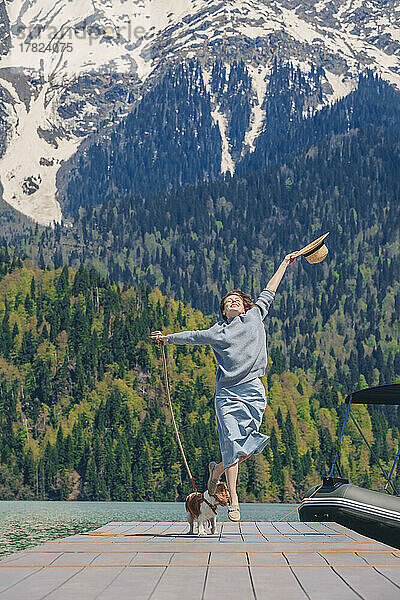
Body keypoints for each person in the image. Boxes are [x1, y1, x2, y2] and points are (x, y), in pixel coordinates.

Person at [149, 252, 297, 521]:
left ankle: (216, 471)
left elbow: (270, 289)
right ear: (223, 310)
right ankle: (234, 498)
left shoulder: (255, 316)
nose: (231, 302)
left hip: (253, 390)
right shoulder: (218, 331)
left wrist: (284, 264)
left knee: (247, 449)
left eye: (236, 300)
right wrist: (167, 339)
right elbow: (193, 336)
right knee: (231, 442)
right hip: (227, 395)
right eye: (227, 301)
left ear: (244, 306)